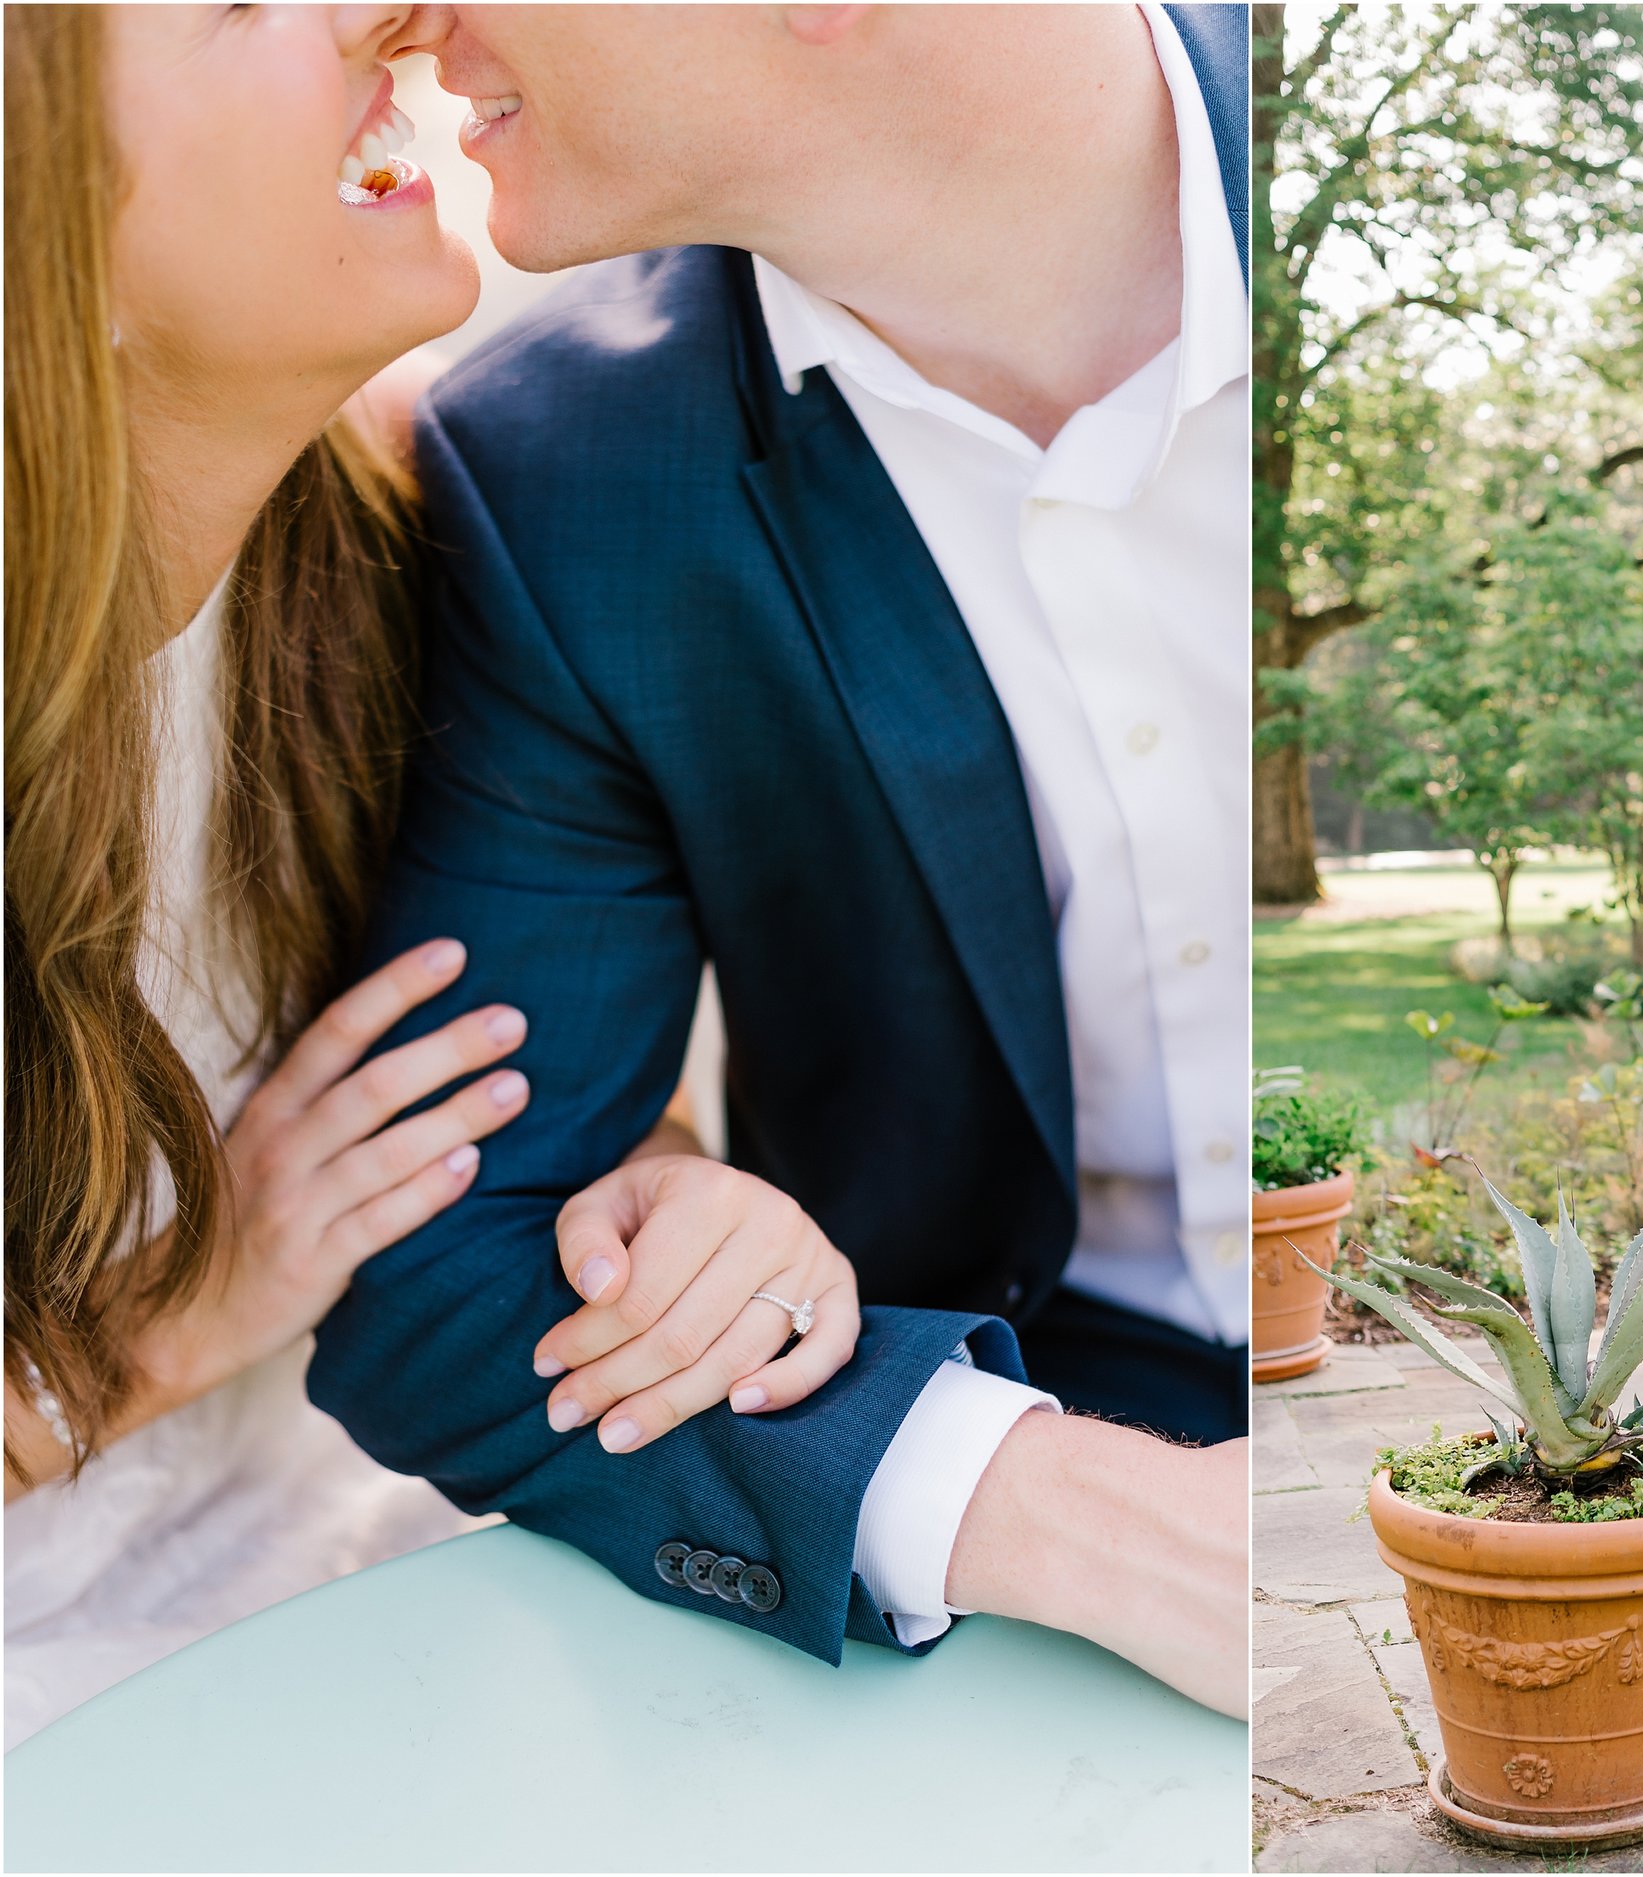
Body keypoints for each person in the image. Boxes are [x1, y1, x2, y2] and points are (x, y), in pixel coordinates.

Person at [304, 4, 1251, 1716]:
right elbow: (432, 1261)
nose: (401, 18)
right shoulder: (551, 469)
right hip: (987, 1558)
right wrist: (1045, 1506)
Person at [2, 3, 853, 1750]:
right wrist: (187, 1314)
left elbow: (505, 1091)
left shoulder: (424, 526)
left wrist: (675, 1208)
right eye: (238, 2)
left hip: (377, 1570)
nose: (380, 13)